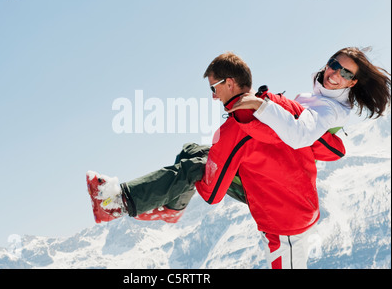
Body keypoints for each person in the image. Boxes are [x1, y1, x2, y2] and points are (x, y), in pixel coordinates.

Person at [86, 52, 346, 269]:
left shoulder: (234, 131)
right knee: (193, 151)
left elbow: (213, 194)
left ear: (230, 83)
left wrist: (203, 175)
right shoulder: (280, 105)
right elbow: (333, 150)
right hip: (301, 199)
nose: (213, 96)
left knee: (195, 166)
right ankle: (171, 209)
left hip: (285, 220)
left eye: (214, 87)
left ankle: (117, 204)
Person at [227, 47, 391, 149]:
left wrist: (260, 105)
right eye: (334, 65)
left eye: (346, 73)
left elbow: (299, 138)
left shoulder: (332, 109)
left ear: (352, 82)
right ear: (328, 63)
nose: (335, 74)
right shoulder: (320, 98)